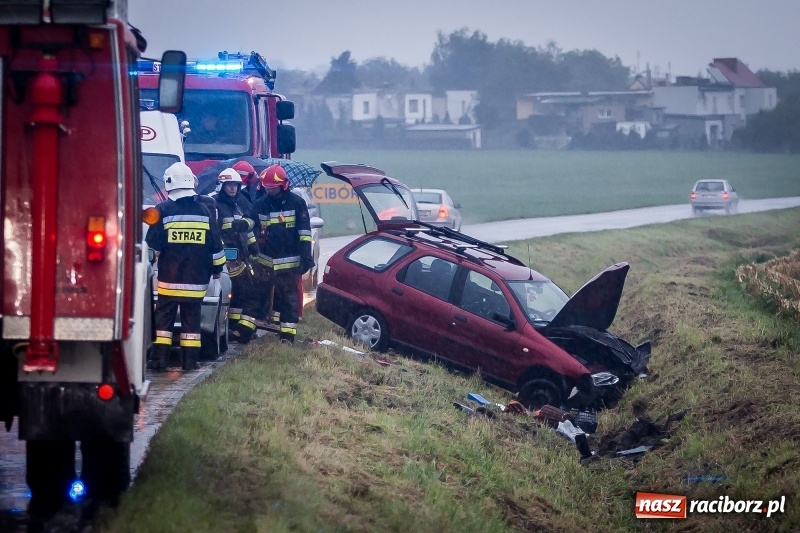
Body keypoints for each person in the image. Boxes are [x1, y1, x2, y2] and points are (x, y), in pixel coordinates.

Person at [146, 162, 225, 370]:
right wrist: (217, 270)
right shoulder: (205, 211)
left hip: (168, 281)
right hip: (196, 281)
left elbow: (152, 244)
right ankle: (190, 362)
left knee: (163, 322)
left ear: (169, 184)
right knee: (192, 323)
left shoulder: (162, 210)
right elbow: (216, 246)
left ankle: (158, 360)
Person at [249, 164, 314, 344]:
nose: (269, 191)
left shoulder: (297, 203)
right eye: (267, 187)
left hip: (289, 263)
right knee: (256, 297)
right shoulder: (260, 204)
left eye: (273, 188)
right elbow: (252, 224)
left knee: (288, 300)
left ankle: (287, 336)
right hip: (264, 261)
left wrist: (306, 257)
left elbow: (304, 233)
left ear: (283, 185)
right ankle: (247, 331)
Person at [214, 167, 263, 344]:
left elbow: (246, 231)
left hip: (241, 259)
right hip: (226, 261)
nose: (233, 189)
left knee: (239, 297)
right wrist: (223, 255)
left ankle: (235, 329)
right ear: (222, 186)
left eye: (235, 185)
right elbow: (215, 235)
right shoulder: (216, 206)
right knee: (249, 295)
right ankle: (243, 331)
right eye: (229, 186)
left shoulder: (238, 205)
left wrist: (254, 247)